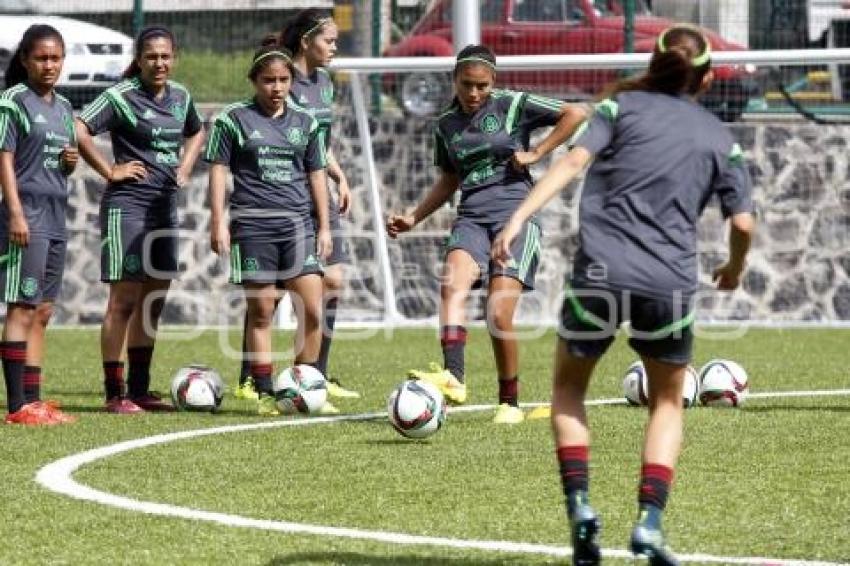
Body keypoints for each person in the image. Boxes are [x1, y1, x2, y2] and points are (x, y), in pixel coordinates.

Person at [492, 25, 755, 564]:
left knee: (568, 394)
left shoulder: (619, 110)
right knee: (667, 402)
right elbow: (745, 223)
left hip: (600, 277)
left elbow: (569, 162)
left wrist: (517, 216)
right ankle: (650, 524)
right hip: (669, 286)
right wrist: (732, 266)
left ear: (652, 63)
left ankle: (582, 508)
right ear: (706, 80)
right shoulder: (719, 137)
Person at [386, 45, 587, 424]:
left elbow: (575, 113)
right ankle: (454, 377)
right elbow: (448, 179)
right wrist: (414, 217)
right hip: (471, 219)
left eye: (482, 86)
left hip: (515, 217)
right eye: (467, 85)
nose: (474, 93)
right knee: (451, 288)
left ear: (493, 82)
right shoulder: (445, 123)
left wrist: (538, 151)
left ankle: (509, 403)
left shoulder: (511, 105)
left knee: (498, 314)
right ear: (454, 81)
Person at [76, 25, 205, 413]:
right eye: (151, 56)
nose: (159, 63)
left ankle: (140, 389)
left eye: (166, 56)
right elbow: (78, 128)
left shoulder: (182, 96)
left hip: (164, 208)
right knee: (124, 300)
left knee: (153, 302)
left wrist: (184, 168)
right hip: (127, 207)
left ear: (174, 57)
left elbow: (196, 133)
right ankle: (114, 394)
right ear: (139, 59)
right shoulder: (120, 96)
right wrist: (109, 170)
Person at [233, 10, 358, 408]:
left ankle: (313, 376)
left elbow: (319, 141)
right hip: (282, 200)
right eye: (329, 40)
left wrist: (338, 175)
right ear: (306, 41)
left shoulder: (325, 84)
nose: (334, 47)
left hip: (315, 193)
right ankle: (254, 376)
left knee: (330, 283)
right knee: (269, 295)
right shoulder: (285, 79)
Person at [205, 43, 332, 416]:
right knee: (261, 311)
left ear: (292, 81)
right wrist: (217, 221)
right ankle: (263, 391)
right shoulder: (233, 120)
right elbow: (217, 171)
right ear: (254, 81)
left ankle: (305, 385)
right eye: (268, 80)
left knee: (312, 309)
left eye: (283, 80)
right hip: (253, 226)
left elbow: (317, 174)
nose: (276, 87)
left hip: (298, 225)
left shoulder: (306, 122)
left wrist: (324, 226)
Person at [0, 24, 78, 425]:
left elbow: (59, 160)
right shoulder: (13, 101)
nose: (49, 65)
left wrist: (69, 163)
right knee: (21, 305)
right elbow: (5, 160)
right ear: (26, 60)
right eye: (42, 58)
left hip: (55, 216)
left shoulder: (64, 107)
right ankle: (17, 406)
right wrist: (14, 212)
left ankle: (35, 400)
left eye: (56, 58)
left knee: (43, 310)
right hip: (25, 214)